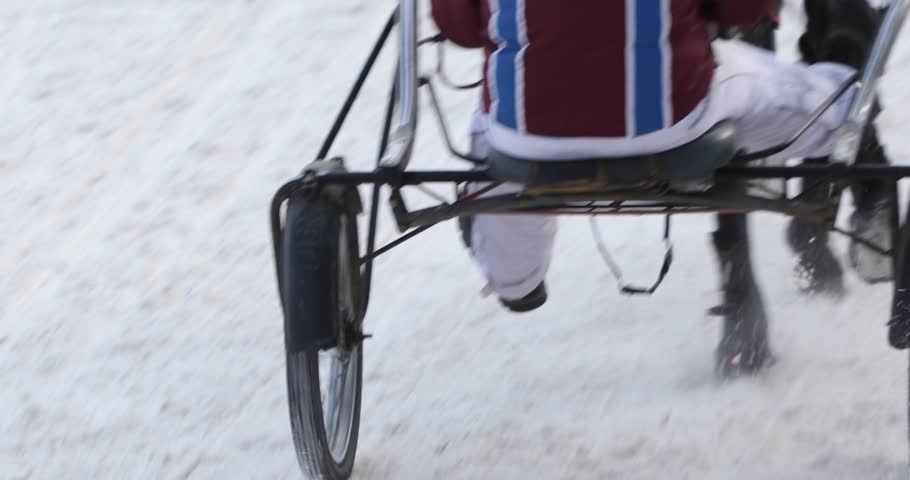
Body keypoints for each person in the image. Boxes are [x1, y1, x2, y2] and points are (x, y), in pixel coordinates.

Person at [431, 0, 892, 313]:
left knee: (498, 128)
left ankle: (514, 280)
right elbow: (742, 9)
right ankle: (870, 192)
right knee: (841, 102)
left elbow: (459, 28)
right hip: (672, 119)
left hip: (525, 134)